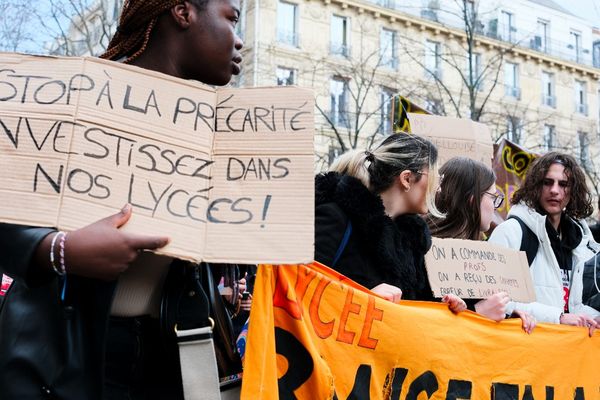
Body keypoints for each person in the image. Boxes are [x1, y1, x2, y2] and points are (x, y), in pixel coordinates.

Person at [0, 0, 243, 398]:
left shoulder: (214, 130)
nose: (239, 42)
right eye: (232, 20)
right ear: (183, 12)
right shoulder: (74, 95)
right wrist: (60, 250)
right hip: (67, 353)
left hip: (171, 354)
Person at [314, 133, 466, 312]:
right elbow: (297, 286)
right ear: (407, 179)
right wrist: (364, 297)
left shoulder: (412, 243)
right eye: (434, 176)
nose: (438, 187)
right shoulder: (336, 218)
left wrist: (445, 307)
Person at [488, 152, 600, 335]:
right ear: (535, 185)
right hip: (525, 350)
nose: (554, 190)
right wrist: (558, 317)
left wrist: (591, 318)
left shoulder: (581, 243)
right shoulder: (512, 232)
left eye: (563, 184)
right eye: (547, 182)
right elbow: (495, 299)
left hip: (567, 352)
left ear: (574, 190)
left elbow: (572, 306)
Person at [426, 157, 536, 333]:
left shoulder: (480, 256)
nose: (495, 207)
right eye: (493, 198)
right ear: (472, 200)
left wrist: (509, 317)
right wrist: (479, 313)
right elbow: (420, 322)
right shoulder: (421, 249)